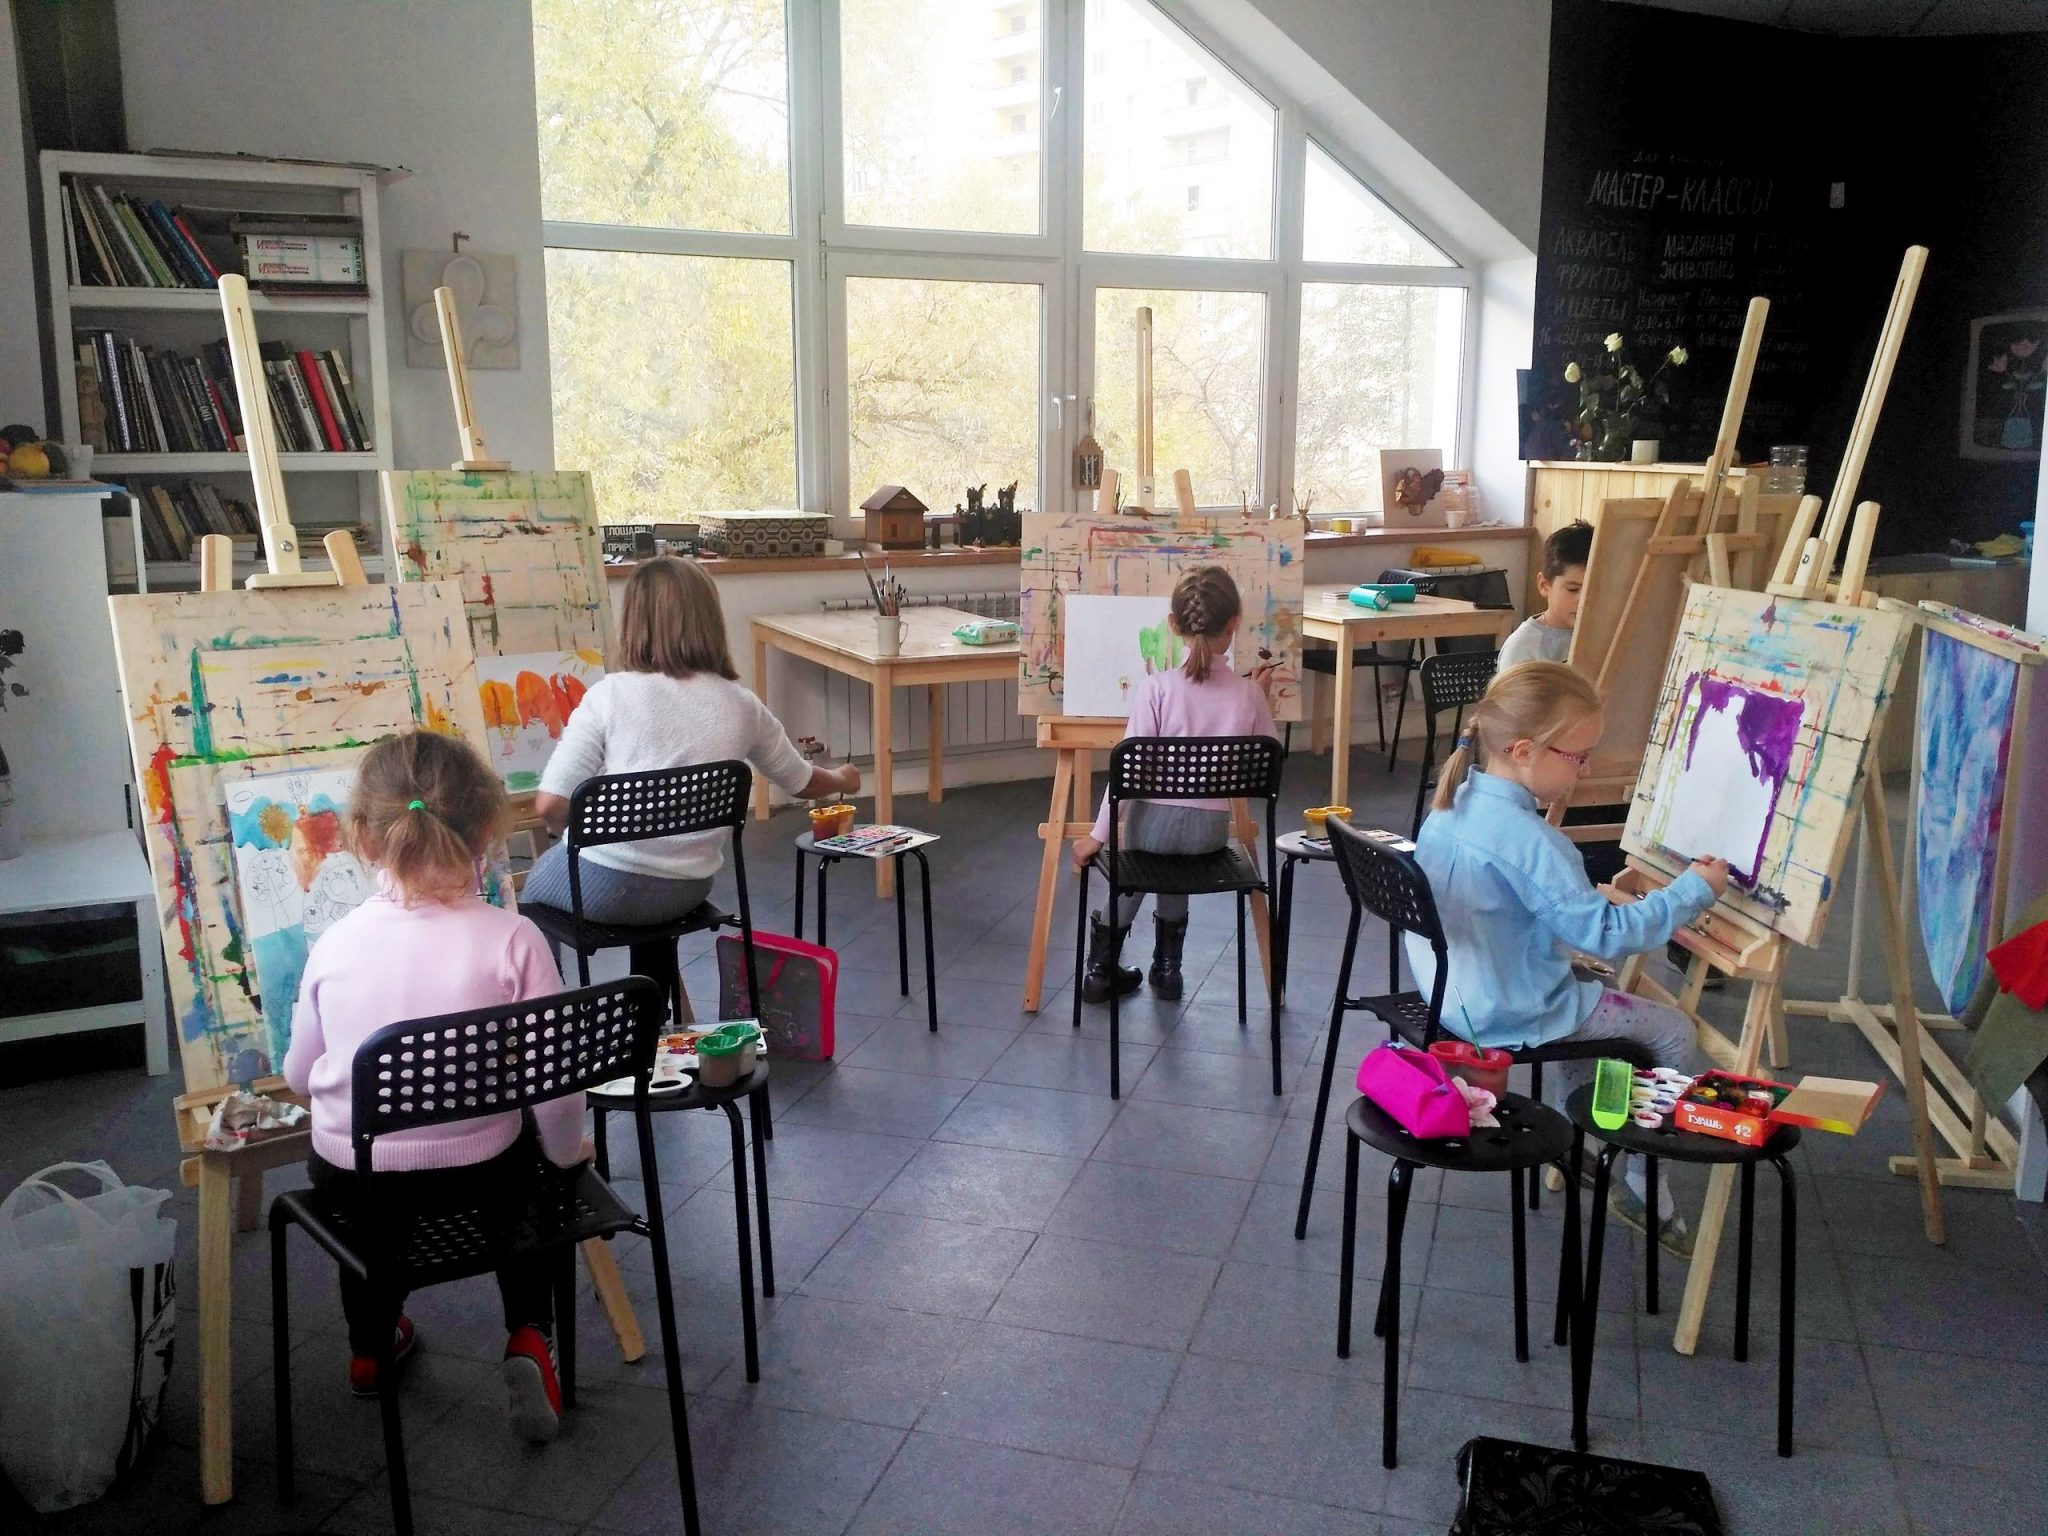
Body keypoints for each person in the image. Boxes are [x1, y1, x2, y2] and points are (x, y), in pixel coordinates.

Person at [282, 729, 576, 1440]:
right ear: (484, 829)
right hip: (482, 1170)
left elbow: (297, 1077)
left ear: (363, 837)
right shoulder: (513, 938)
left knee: (363, 1214)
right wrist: (569, 1154)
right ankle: (528, 1333)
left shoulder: (333, 944)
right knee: (531, 1170)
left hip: (358, 1178)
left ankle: (371, 1348)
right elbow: (555, 1083)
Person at [1411, 661, 1730, 1255]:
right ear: (1524, 750)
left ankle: (1579, 1136)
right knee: (1672, 1031)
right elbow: (1607, 935)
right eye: (1577, 757)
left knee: (1592, 995)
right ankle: (1646, 1187)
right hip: (1507, 1009)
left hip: (1449, 993)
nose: (1584, 770)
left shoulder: (1453, 803)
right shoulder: (1532, 840)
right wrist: (1691, 891)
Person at [527, 556, 859, 928]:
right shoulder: (742, 705)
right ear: (709, 620)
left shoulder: (609, 696)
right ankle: (657, 969)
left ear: (634, 621)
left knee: (524, 905)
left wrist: (574, 836)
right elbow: (802, 782)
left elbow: (551, 804)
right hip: (686, 888)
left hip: (604, 884)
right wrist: (844, 778)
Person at [1070, 565, 1280, 1002]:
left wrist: (1097, 836)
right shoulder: (1248, 695)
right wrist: (1260, 697)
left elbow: (1127, 777)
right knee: (1176, 869)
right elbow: (1266, 759)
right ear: (1234, 624)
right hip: (1208, 836)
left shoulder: (1156, 689)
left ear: (1173, 625)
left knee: (1138, 867)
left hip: (1151, 831)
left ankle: (1099, 971)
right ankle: (1168, 971)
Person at [1497, 518, 1592, 672]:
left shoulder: (1603, 636)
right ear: (1544, 585)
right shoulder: (1522, 648)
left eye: (1592, 590)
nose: (1583, 600)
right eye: (1573, 589)